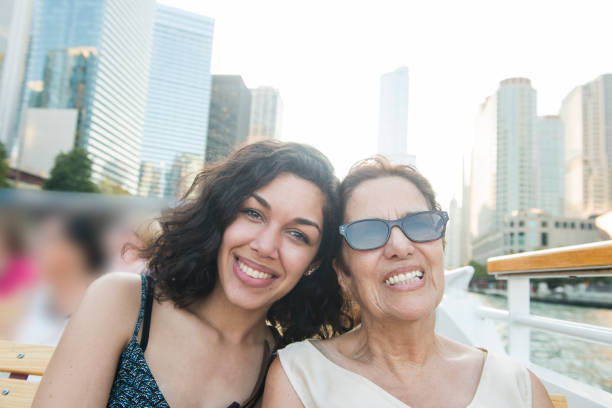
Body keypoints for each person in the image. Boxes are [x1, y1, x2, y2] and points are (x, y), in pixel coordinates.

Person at [33, 141, 350, 408]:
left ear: (314, 262)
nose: (266, 246)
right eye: (253, 213)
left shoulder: (284, 369)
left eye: (298, 234)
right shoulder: (123, 302)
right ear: (221, 216)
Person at [263, 156, 553, 408]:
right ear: (343, 273)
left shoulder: (518, 386)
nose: (400, 246)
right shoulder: (299, 376)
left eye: (419, 224)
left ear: (441, 247)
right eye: (368, 232)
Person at [13, 213, 108, 345]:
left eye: (49, 240)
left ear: (78, 251)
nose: (38, 248)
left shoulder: (102, 306)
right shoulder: (29, 299)